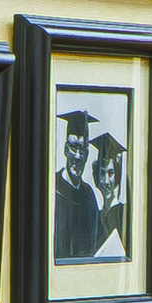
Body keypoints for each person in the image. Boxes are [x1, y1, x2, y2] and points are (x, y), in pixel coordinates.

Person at [53, 111, 113, 261]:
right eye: (74, 147)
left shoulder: (88, 194)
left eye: (83, 150)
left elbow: (100, 240)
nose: (78, 156)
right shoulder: (52, 188)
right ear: (66, 149)